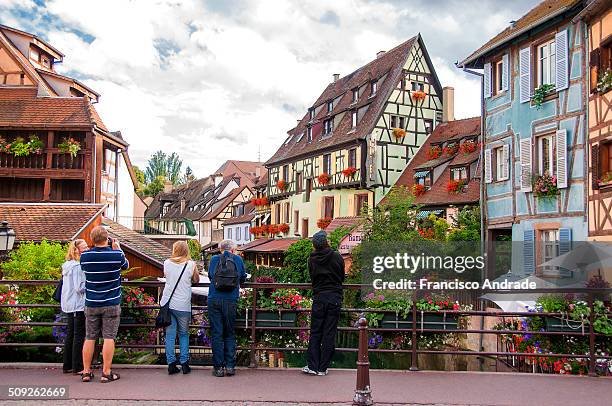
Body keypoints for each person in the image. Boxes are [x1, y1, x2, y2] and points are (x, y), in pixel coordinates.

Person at [79, 226, 129, 383]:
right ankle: (106, 372)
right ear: (107, 238)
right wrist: (118, 248)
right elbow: (125, 265)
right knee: (109, 337)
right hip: (111, 302)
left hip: (92, 302)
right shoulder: (116, 255)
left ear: (92, 240)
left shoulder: (85, 256)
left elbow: (84, 268)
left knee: (90, 337)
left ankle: (86, 371)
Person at [303, 231, 345, 376]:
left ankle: (313, 366)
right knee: (329, 333)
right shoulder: (337, 256)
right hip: (334, 297)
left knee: (315, 332)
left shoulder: (312, 259)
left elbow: (312, 277)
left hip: (319, 297)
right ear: (326, 242)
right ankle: (323, 368)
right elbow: (341, 276)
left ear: (315, 244)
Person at [207, 239, 246, 377]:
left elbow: (211, 275)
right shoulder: (238, 259)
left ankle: (218, 368)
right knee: (229, 333)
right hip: (231, 300)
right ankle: (230, 366)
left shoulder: (214, 259)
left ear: (220, 249)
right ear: (233, 250)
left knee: (217, 334)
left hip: (214, 299)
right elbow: (242, 277)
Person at [160, 241, 200, 375]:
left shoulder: (166, 263)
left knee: (170, 335)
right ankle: (184, 364)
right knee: (183, 334)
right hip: (183, 304)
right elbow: (196, 280)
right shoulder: (191, 264)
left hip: (168, 303)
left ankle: (171, 364)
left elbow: (167, 276)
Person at [61, 239, 88, 375]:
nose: (87, 249)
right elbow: (79, 287)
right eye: (84, 248)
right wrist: (90, 284)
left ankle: (67, 364)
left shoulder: (67, 266)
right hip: (77, 304)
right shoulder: (77, 267)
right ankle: (77, 366)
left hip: (68, 304)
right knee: (79, 335)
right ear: (77, 250)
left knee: (70, 334)